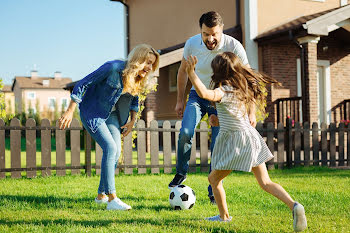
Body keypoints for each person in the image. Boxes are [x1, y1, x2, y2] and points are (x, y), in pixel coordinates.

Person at [185, 52, 307, 232]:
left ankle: (224, 217)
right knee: (265, 182)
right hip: (250, 137)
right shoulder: (241, 90)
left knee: (213, 179)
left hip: (237, 142)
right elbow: (235, 115)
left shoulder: (224, 90)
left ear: (219, 72)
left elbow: (204, 93)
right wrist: (218, 121)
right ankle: (294, 205)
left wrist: (191, 73)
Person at [59, 44, 160, 211]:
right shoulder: (112, 68)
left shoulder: (138, 78)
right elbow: (83, 83)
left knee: (115, 151)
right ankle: (112, 199)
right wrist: (70, 110)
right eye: (147, 62)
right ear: (137, 59)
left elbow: (134, 99)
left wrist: (132, 121)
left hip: (113, 115)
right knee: (110, 148)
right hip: (93, 111)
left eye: (152, 64)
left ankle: (101, 196)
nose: (149, 67)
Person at [168, 11, 254, 205]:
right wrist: (179, 100)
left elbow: (248, 79)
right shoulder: (192, 44)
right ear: (201, 31)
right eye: (206, 34)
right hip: (197, 96)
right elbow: (182, 72)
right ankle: (181, 173)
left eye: (214, 33)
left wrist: (251, 111)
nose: (210, 38)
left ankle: (213, 190)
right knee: (186, 132)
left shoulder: (234, 46)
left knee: (217, 145)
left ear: (221, 29)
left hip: (220, 101)